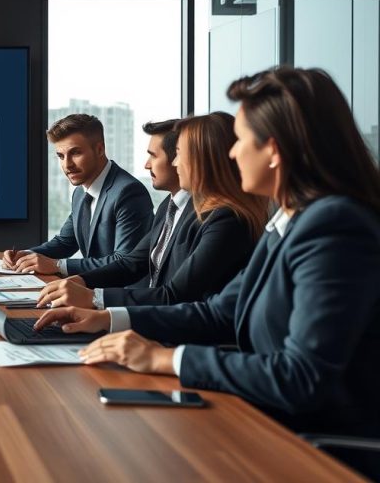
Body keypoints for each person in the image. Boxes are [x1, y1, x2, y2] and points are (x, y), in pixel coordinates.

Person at [34, 68, 380, 474]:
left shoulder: (334, 226)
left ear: (274, 150)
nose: (232, 154)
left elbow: (300, 376)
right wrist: (108, 319)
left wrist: (168, 360)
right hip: (259, 418)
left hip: (307, 448)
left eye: (241, 141)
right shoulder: (286, 222)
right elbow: (219, 312)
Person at [36, 113, 268, 309]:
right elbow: (132, 263)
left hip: (183, 337)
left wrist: (93, 298)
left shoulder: (226, 219)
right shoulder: (170, 206)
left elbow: (177, 295)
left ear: (201, 160)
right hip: (153, 320)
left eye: (155, 155)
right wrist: (79, 281)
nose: (147, 165)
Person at [4, 114, 152, 275]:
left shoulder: (128, 192)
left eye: (75, 153)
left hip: (122, 296)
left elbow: (123, 261)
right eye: (61, 156)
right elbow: (65, 242)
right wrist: (26, 255)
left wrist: (58, 265)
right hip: (90, 289)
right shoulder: (80, 193)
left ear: (100, 149)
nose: (67, 165)